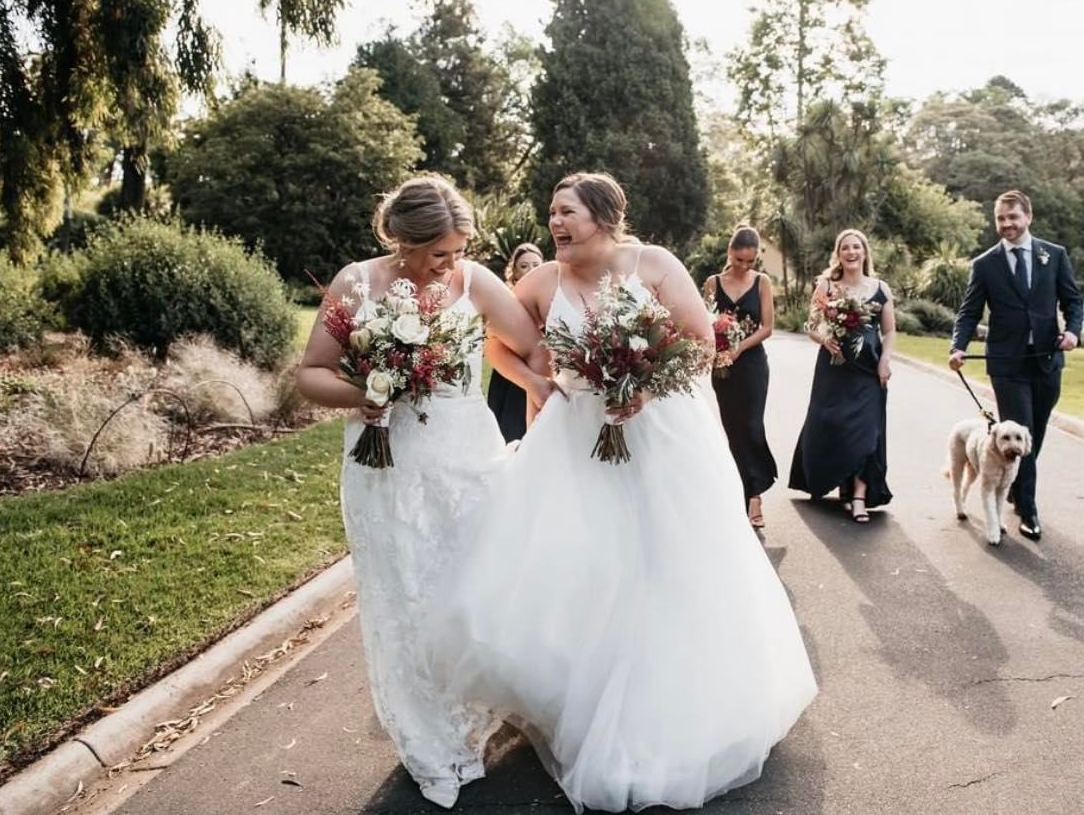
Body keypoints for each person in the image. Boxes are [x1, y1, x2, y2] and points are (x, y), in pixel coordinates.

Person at [430, 172, 816, 813]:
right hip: (573, 440)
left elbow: (700, 344)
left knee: (660, 563)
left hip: (659, 436)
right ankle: (578, 692)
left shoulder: (654, 264)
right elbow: (497, 344)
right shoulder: (541, 282)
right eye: (551, 213)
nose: (554, 223)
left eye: (566, 212)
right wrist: (535, 382)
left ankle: (660, 707)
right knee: (582, 561)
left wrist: (646, 387)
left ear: (604, 217)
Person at [295, 175, 554, 808]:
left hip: (468, 458)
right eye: (438, 253)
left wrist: (550, 392)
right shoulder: (355, 284)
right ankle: (430, 736)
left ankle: (480, 706)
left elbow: (532, 346)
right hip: (386, 464)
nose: (450, 264)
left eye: (458, 250)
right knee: (404, 598)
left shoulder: (475, 282)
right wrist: (370, 393)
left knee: (474, 589)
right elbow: (311, 374)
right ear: (399, 239)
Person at [949, 189, 1083, 540]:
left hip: (1046, 362)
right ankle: (1029, 512)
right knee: (1021, 429)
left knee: (1030, 441)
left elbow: (1073, 300)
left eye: (1013, 217)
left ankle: (1016, 489)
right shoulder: (985, 264)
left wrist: (1072, 332)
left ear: (1028, 217)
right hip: (1007, 366)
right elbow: (969, 312)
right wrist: (958, 347)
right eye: (1001, 219)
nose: (1007, 224)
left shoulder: (1053, 256)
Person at [788, 229, 896, 523]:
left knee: (867, 432)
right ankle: (839, 482)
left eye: (856, 247)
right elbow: (811, 325)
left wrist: (885, 359)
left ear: (864, 252)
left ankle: (859, 497)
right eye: (845, 248)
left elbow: (889, 331)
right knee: (831, 425)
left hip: (869, 372)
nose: (851, 252)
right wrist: (824, 339)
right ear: (838, 253)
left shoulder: (880, 288)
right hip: (833, 370)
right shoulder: (826, 285)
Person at [702, 224, 778, 529]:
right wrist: (717, 350)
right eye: (739, 260)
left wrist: (739, 348)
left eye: (750, 261)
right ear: (729, 253)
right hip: (722, 367)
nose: (745, 266)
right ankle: (741, 493)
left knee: (752, 426)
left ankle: (755, 494)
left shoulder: (762, 282)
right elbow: (704, 323)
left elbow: (767, 327)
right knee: (733, 430)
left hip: (752, 365)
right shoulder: (712, 283)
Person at [487, 243, 546, 442]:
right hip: (512, 374)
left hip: (543, 370)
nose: (531, 270)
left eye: (536, 265)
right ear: (515, 271)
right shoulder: (505, 299)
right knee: (509, 429)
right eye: (524, 266)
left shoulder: (551, 296)